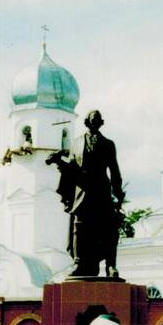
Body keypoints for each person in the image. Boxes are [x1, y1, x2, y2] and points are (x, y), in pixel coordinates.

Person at [47, 109, 125, 278]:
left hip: (102, 191)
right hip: (83, 192)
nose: (95, 122)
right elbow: (72, 170)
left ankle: (110, 266)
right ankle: (78, 263)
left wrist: (118, 194)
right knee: (79, 227)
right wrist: (58, 162)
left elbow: (114, 170)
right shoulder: (76, 144)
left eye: (98, 120)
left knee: (109, 229)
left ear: (101, 123)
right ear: (87, 122)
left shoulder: (108, 144)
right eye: (92, 120)